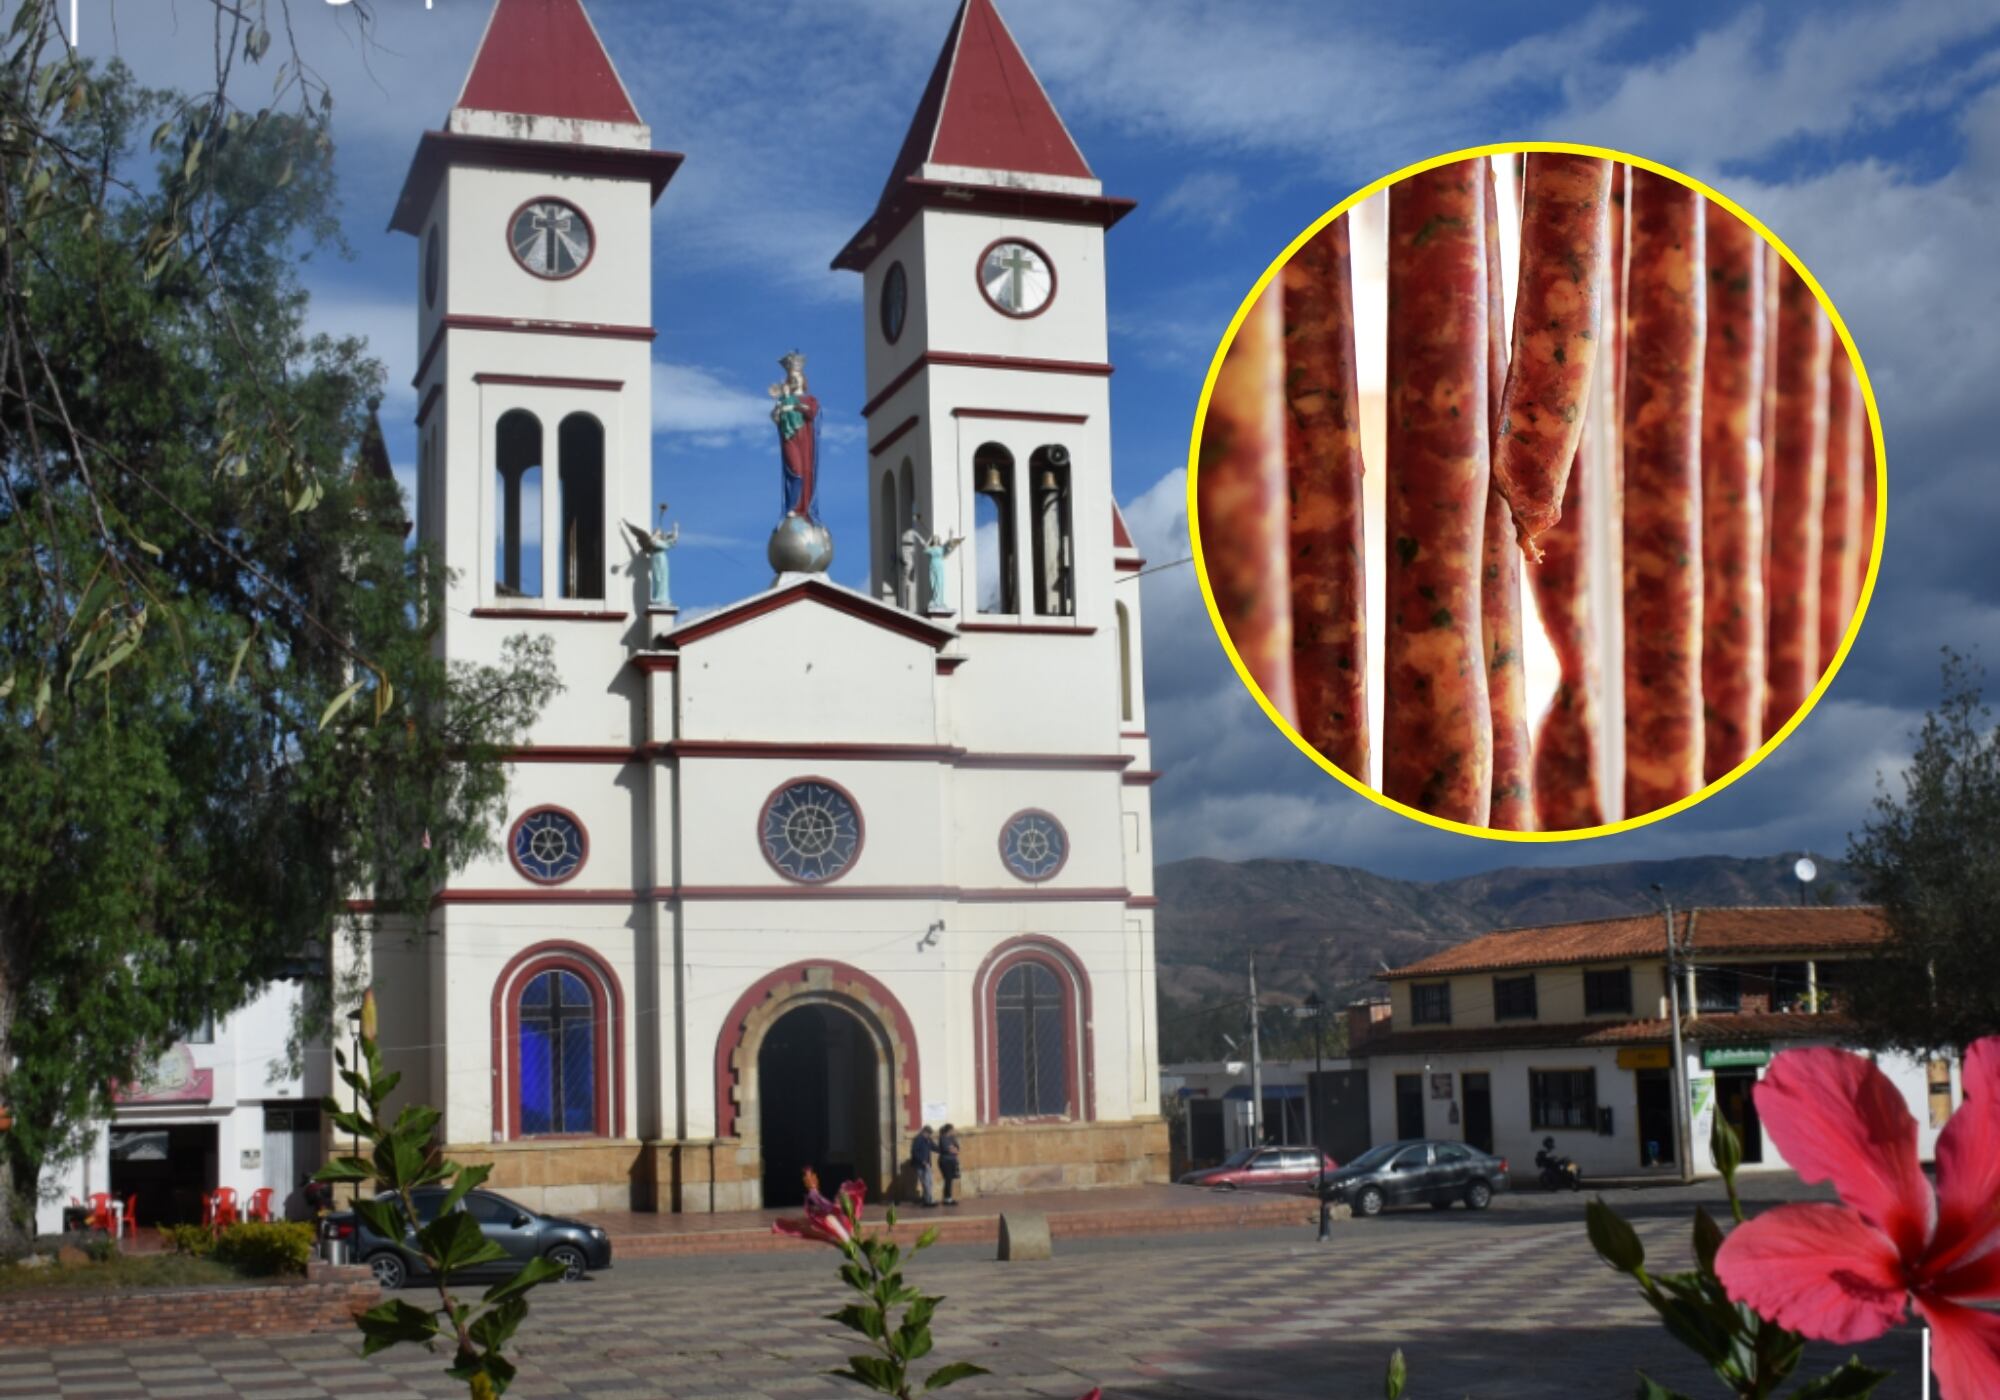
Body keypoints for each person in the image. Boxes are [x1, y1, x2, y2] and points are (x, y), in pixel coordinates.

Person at [910, 1124, 937, 1207]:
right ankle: (928, 1200)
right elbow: (914, 1152)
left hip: (926, 1164)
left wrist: (944, 1150)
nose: (929, 1135)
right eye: (928, 1133)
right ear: (924, 1132)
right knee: (926, 1182)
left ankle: (927, 1198)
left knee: (929, 1182)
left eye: (930, 1134)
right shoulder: (918, 1139)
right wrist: (922, 1161)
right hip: (920, 1165)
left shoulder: (927, 1139)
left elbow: (934, 1147)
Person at [938, 1124, 962, 1207]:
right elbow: (946, 1149)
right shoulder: (943, 1138)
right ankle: (947, 1199)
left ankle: (949, 1197)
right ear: (949, 1130)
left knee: (950, 1180)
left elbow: (957, 1148)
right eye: (952, 1130)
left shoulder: (952, 1138)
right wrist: (952, 1149)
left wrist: (953, 1148)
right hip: (945, 1161)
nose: (954, 1131)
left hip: (952, 1161)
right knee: (947, 1179)